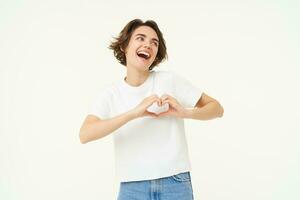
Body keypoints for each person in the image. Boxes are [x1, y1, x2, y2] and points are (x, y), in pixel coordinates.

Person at [79, 19, 224, 200]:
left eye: (154, 43)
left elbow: (217, 109)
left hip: (175, 182)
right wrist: (134, 113)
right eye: (141, 38)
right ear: (124, 46)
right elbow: (85, 134)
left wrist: (185, 112)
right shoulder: (110, 94)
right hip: (132, 186)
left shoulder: (170, 80)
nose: (148, 45)